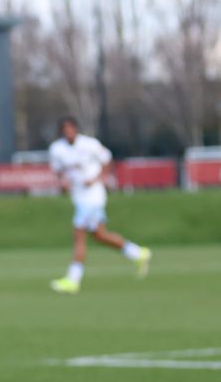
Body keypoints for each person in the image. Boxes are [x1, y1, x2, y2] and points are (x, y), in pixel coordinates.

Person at [47, 116, 150, 293]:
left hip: (93, 197)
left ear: (76, 129)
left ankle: (73, 280)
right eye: (65, 130)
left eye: (71, 128)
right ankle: (137, 253)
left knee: (78, 233)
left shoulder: (89, 144)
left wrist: (97, 179)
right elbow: (59, 172)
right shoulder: (57, 149)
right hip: (79, 197)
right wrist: (63, 183)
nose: (68, 132)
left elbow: (107, 159)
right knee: (99, 235)